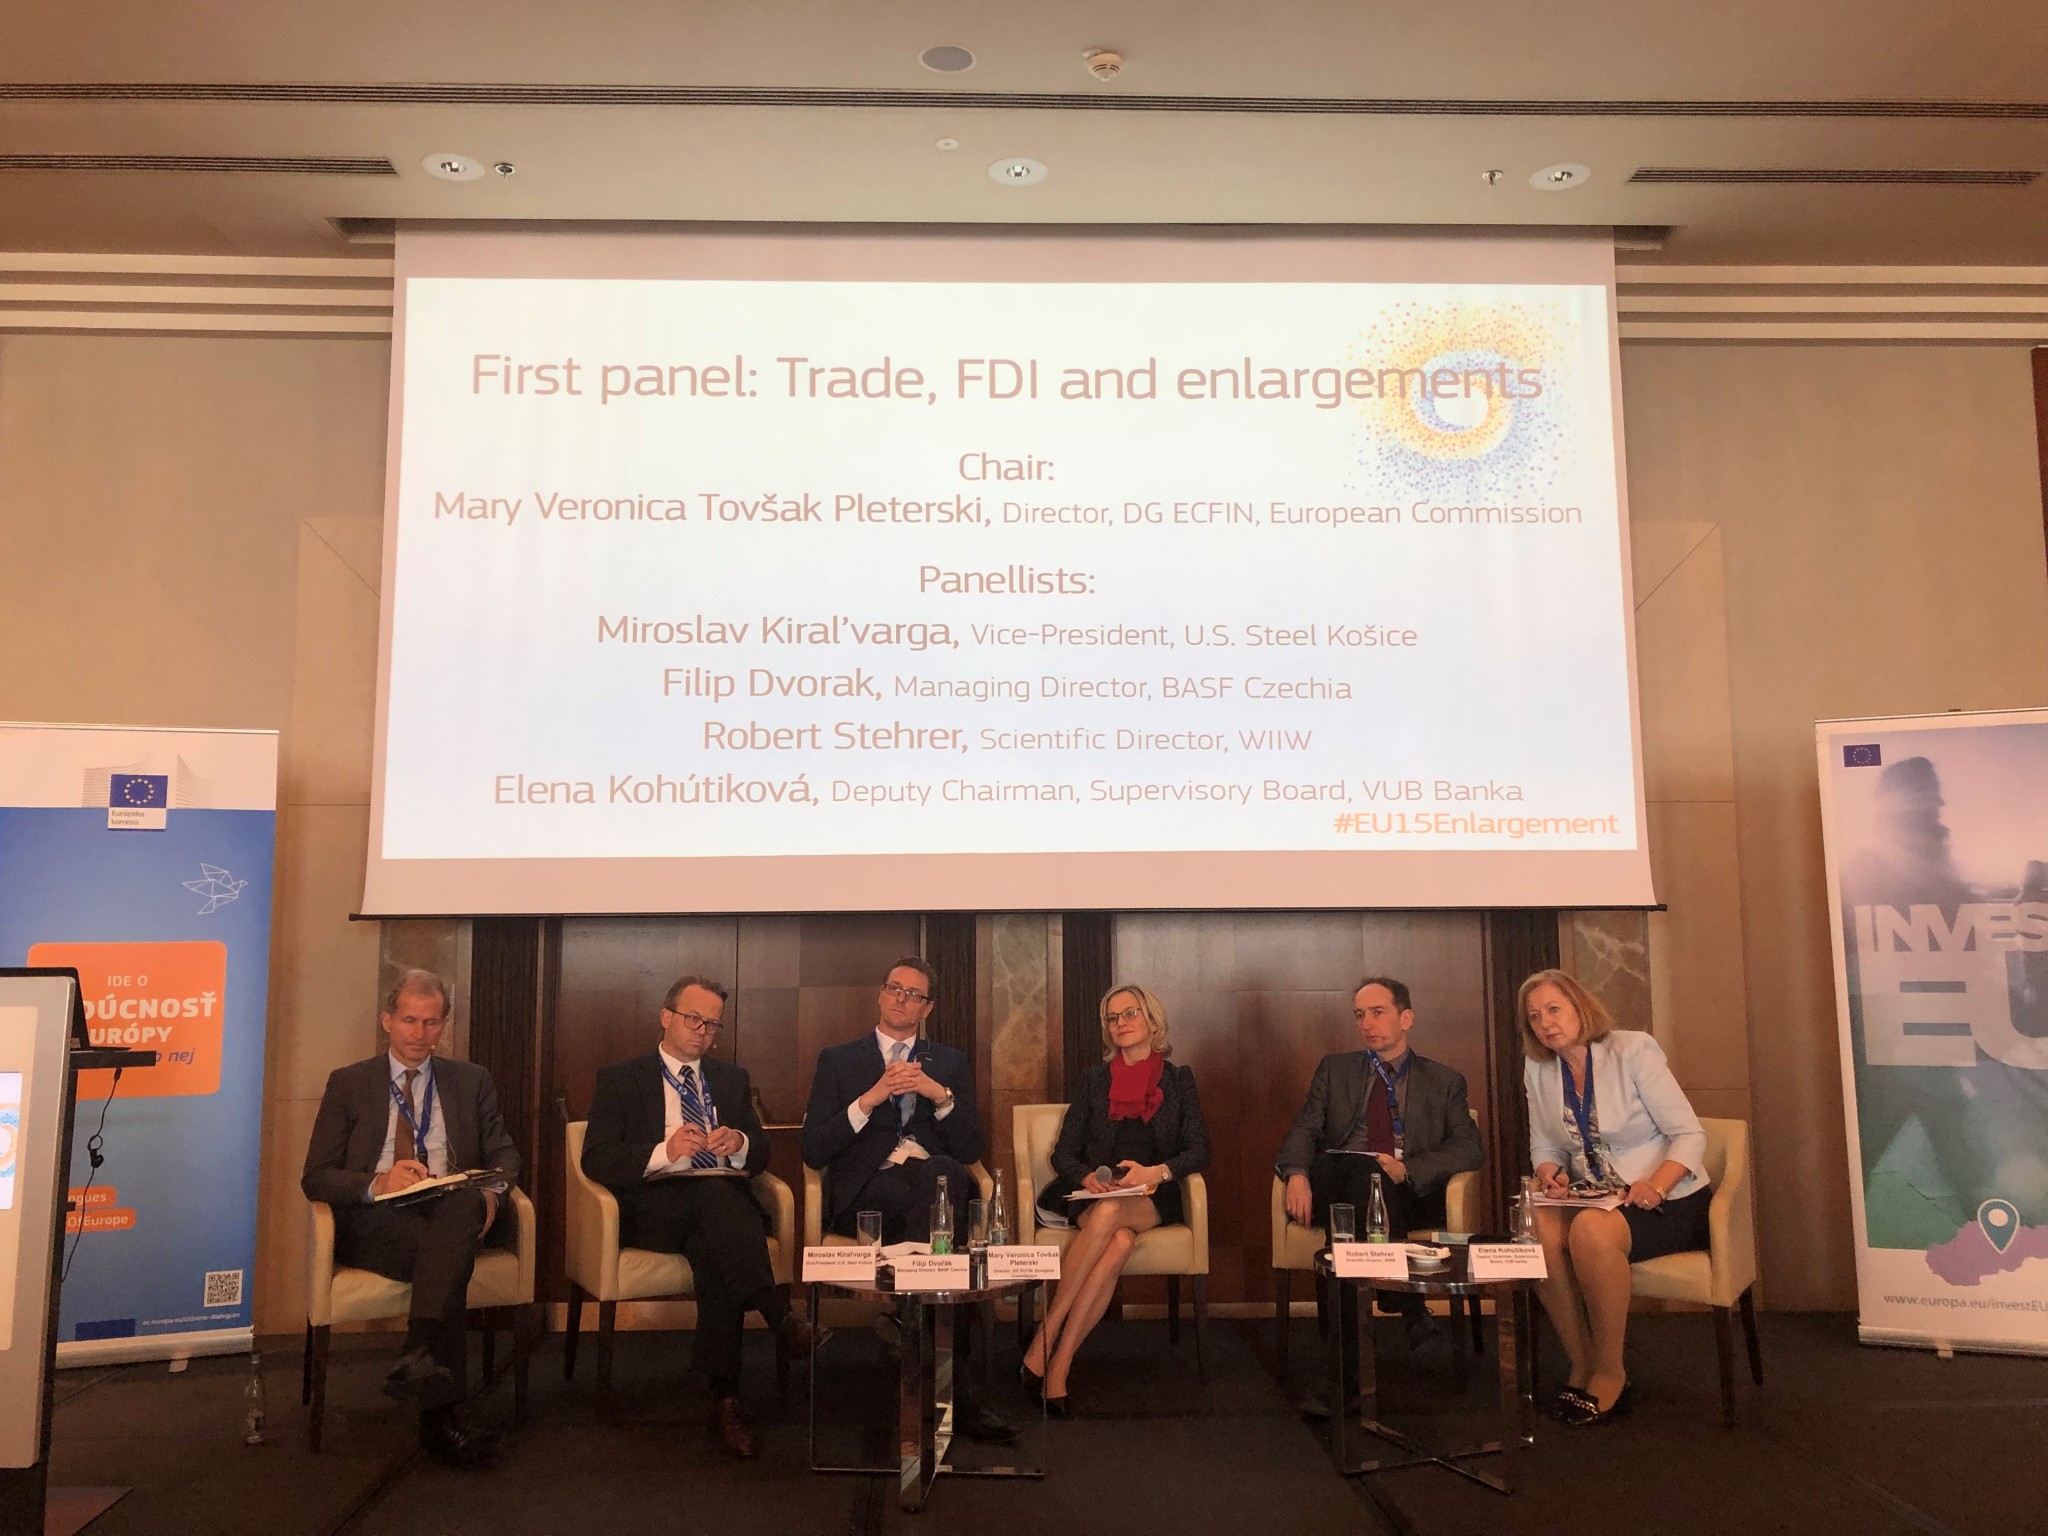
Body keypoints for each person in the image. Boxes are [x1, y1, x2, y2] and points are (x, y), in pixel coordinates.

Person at [581, 975, 818, 1459]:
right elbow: (597, 1158)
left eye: (712, 1025)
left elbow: (761, 1152)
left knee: (717, 1241)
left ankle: (726, 1401)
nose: (703, 1032)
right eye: (694, 1019)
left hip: (717, 1206)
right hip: (654, 1205)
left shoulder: (731, 1079)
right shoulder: (621, 1078)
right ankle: (778, 1315)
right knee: (722, 1210)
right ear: (666, 1017)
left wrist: (740, 1143)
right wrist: (663, 1152)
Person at [301, 968, 518, 1468]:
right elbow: (316, 1177)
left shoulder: (472, 1080)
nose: (420, 1033)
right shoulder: (349, 1083)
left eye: (431, 1022)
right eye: (409, 1021)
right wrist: (378, 1182)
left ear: (444, 1025)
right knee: (449, 1254)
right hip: (378, 1220)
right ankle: (441, 1418)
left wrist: (491, 1195)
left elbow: (505, 1155)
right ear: (387, 1021)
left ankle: (421, 1355)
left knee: (462, 1210)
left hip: (451, 1208)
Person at [801, 956, 1014, 1442]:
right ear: (881, 995)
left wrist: (941, 1097)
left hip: (933, 1192)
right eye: (894, 989)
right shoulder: (838, 1060)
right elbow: (813, 1149)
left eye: (913, 994)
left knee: (943, 1172)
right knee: (945, 1208)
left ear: (927, 1008)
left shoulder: (951, 1063)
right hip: (868, 1194)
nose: (901, 998)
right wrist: (869, 1099)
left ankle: (907, 1327)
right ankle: (954, 1392)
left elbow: (971, 1149)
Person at [1277, 975, 1483, 1413]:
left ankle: (1346, 1379)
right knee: (1360, 1170)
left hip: (1402, 1191)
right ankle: (1407, 1304)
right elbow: (1306, 1128)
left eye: (1377, 1012)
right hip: (1336, 1177)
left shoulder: (1444, 1080)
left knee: (1351, 1221)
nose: (1366, 1023)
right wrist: (1295, 1174)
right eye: (1359, 1015)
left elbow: (1470, 1148)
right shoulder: (1335, 1069)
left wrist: (1407, 1169)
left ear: (1406, 1018)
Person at [1521, 968, 1711, 1426]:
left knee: (1590, 1230)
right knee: (1534, 1231)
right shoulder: (1538, 1068)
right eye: (1534, 1017)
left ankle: (1611, 1372)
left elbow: (1689, 1134)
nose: (1545, 1022)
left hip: (1667, 1198)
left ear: (1579, 1007)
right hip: (1597, 1197)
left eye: (1553, 1009)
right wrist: (1550, 1174)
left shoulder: (1632, 1050)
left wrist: (1656, 1185)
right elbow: (1544, 1146)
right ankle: (1581, 1362)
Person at [1021, 984, 1209, 1414]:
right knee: (1119, 1240)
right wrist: (1086, 1176)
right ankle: (1058, 1367)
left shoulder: (1179, 1079)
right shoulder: (1094, 1080)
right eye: (1112, 1017)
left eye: (1130, 1013)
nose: (1120, 1023)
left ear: (1152, 1021)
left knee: (1111, 1215)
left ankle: (1043, 1339)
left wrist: (1156, 1172)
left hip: (1151, 1194)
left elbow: (1200, 1149)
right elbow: (1063, 1153)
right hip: (1095, 1192)